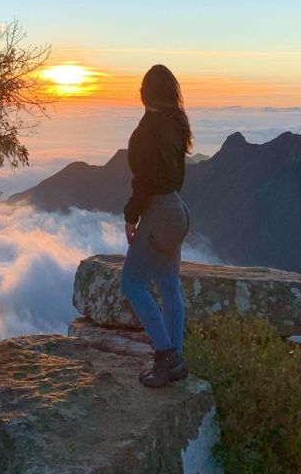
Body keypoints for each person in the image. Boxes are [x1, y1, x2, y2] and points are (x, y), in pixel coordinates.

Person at [120, 64, 193, 388]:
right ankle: (174, 360)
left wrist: (131, 216)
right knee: (167, 282)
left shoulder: (148, 129)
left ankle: (166, 356)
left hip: (160, 212)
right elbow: (175, 176)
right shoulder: (177, 124)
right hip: (177, 209)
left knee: (132, 283)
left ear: (144, 94)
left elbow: (144, 182)